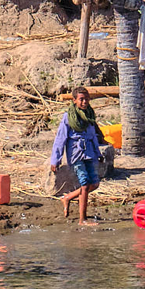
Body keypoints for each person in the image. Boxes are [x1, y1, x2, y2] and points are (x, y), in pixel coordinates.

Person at [49, 87, 104, 224]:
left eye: (87, 99)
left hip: (90, 152)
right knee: (85, 184)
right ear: (74, 101)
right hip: (76, 154)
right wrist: (56, 160)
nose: (85, 102)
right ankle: (82, 219)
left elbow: (93, 137)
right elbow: (60, 139)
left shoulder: (90, 116)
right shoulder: (68, 117)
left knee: (95, 183)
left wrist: (98, 153)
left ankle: (67, 198)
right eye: (81, 99)